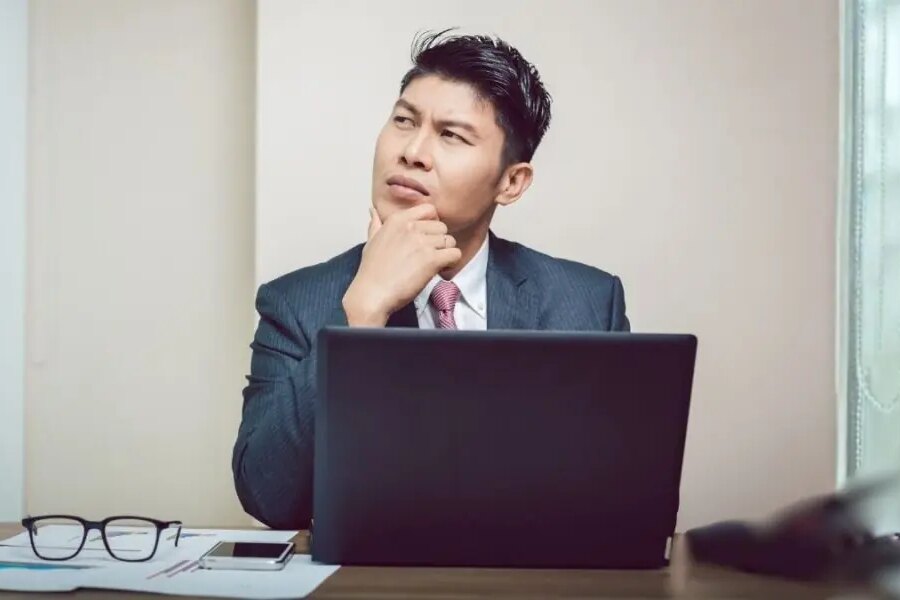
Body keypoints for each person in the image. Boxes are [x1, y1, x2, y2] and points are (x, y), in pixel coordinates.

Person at [232, 31, 630, 529]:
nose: (413, 152)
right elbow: (267, 497)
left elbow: (622, 498)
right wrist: (362, 315)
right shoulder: (296, 303)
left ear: (511, 182)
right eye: (404, 121)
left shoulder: (587, 303)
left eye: (452, 135)